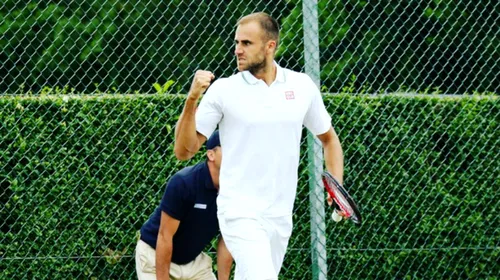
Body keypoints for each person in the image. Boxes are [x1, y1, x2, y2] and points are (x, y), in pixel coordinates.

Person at [174, 12, 344, 280]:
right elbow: (184, 151)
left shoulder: (301, 86)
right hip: (239, 212)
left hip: (280, 215)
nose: (237, 50)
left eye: (246, 43)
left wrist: (336, 187)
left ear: (270, 46)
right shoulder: (224, 90)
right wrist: (192, 100)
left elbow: (329, 139)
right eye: (236, 42)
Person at [135, 130, 233, 280]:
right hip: (154, 257)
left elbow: (226, 239)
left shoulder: (238, 191)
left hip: (193, 264)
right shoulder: (184, 182)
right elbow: (164, 236)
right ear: (211, 155)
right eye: (228, 146)